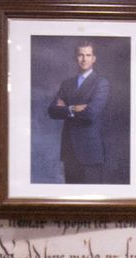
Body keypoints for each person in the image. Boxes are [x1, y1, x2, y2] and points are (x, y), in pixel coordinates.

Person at [46, 42, 111, 183]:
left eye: (88, 55)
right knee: (70, 200)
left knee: (92, 200)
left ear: (94, 58)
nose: (84, 59)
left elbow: (90, 114)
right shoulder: (67, 84)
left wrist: (65, 108)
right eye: (81, 55)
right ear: (75, 57)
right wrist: (73, 108)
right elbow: (52, 111)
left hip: (90, 152)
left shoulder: (101, 83)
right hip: (69, 150)